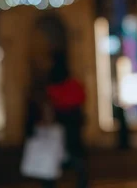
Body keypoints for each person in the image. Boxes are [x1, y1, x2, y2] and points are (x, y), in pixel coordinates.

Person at [45, 52, 88, 188]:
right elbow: (81, 97)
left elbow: (51, 101)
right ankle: (81, 181)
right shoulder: (73, 84)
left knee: (55, 153)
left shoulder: (53, 86)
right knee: (75, 153)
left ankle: (50, 182)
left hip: (60, 121)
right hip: (73, 122)